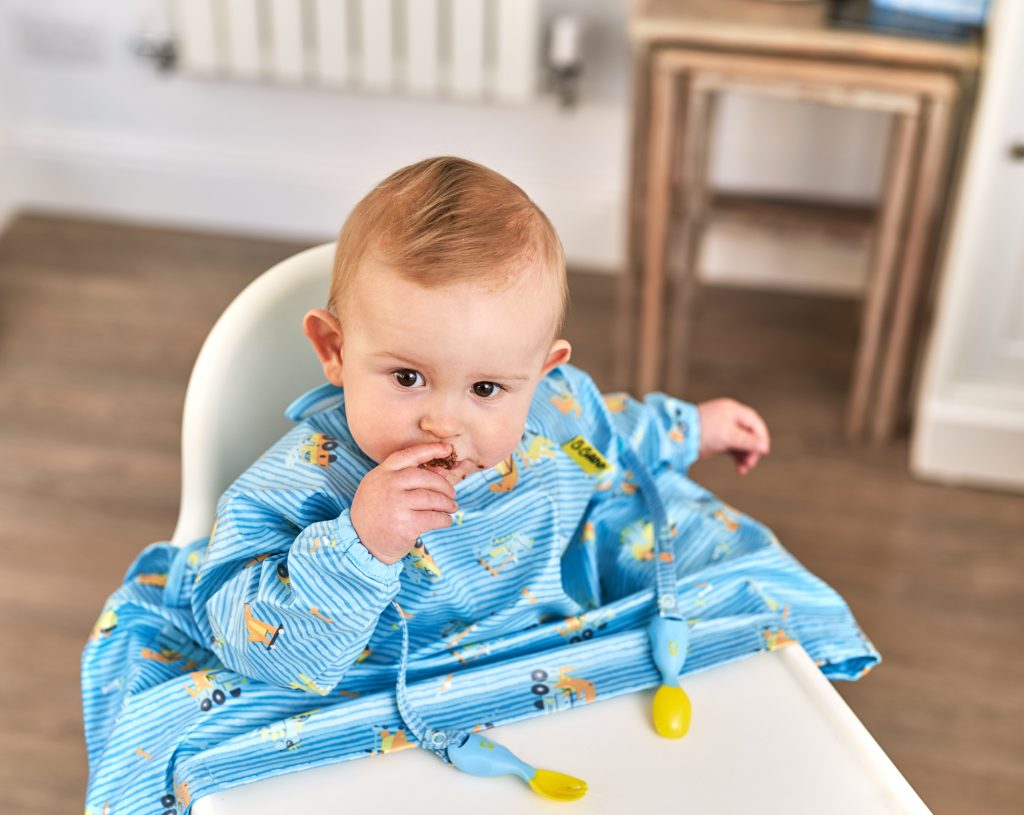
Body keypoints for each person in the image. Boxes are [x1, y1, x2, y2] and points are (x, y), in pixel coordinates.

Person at [82, 157, 876, 812]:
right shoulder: (296, 484)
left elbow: (611, 432)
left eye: (487, 390)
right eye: (406, 376)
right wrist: (361, 545)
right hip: (360, 689)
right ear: (333, 349)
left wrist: (692, 427)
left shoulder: (554, 414)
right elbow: (261, 643)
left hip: (540, 664)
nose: (444, 423)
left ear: (541, 376)